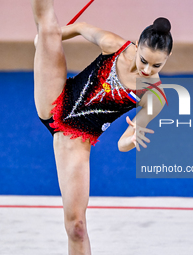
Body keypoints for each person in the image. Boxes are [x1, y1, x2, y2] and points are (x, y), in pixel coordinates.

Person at [31, 1, 173, 254]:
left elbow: (122, 144)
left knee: (77, 227)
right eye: (144, 60)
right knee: (47, 25)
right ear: (137, 45)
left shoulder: (154, 97)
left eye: (156, 66)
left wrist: (132, 139)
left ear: (167, 60)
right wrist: (48, 39)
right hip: (56, 98)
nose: (147, 69)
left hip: (77, 140)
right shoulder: (116, 46)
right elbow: (83, 27)